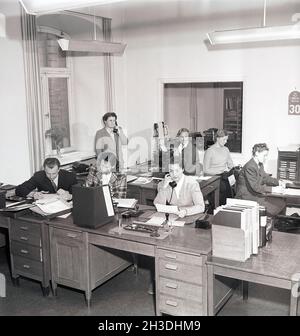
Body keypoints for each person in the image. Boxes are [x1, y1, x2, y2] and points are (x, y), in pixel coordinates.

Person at [235, 143, 286, 216]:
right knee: (277, 205)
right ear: (257, 153)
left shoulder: (259, 164)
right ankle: (266, 222)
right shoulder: (250, 166)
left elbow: (265, 177)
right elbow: (255, 187)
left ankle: (270, 222)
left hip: (254, 194)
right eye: (264, 155)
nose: (265, 158)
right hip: (247, 197)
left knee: (281, 202)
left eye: (266, 156)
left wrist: (278, 182)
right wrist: (273, 190)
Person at [203, 129, 234, 205]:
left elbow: (230, 164)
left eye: (226, 140)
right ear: (218, 138)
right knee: (221, 196)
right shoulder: (210, 151)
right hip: (214, 179)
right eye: (224, 139)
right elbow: (205, 170)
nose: (226, 142)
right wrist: (220, 171)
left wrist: (230, 167)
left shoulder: (226, 149)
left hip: (224, 177)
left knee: (230, 196)